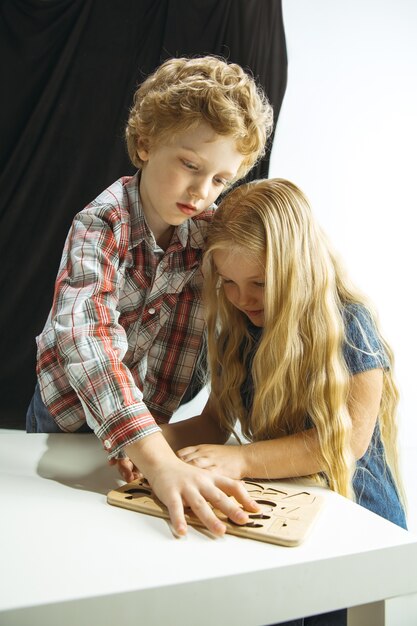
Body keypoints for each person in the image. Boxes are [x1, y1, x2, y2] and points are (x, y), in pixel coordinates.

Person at [26, 55, 274, 537]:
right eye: (189, 165)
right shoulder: (102, 223)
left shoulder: (209, 234)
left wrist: (154, 445)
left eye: (221, 180)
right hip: (70, 416)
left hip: (150, 421)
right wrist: (156, 458)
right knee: (58, 526)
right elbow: (87, 339)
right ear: (144, 144)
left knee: (125, 528)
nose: (202, 191)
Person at [161, 178, 407, 534]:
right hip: (292, 514)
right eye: (228, 282)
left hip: (360, 522)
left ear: (298, 268)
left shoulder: (350, 323)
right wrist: (148, 445)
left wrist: (243, 458)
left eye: (259, 283)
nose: (241, 299)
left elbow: (348, 441)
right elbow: (213, 423)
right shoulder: (241, 327)